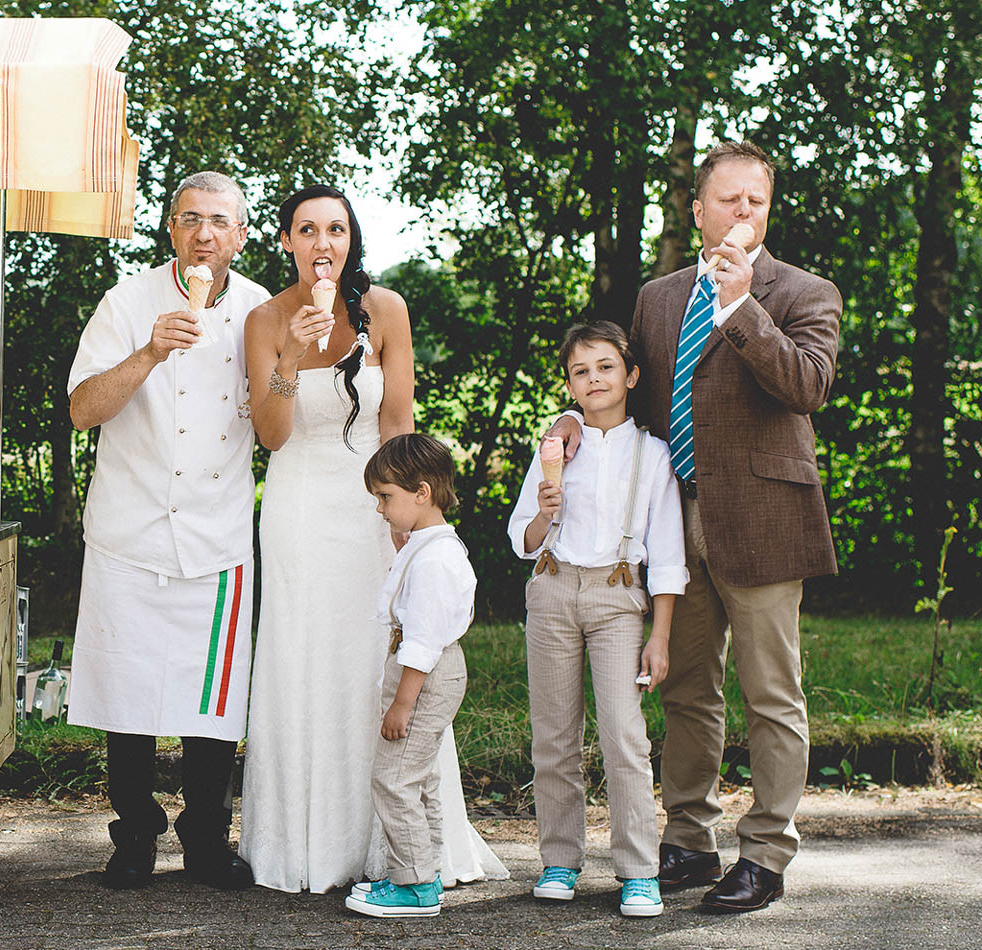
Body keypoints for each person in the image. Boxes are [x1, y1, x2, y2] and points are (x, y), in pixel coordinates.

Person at [546, 141, 840, 912]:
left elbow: (807, 386)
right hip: (671, 519)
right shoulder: (657, 295)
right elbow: (631, 396)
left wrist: (741, 307)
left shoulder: (804, 292)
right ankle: (687, 839)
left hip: (765, 518)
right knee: (683, 687)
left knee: (771, 693)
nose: (745, 212)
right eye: (731, 200)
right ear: (698, 209)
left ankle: (767, 854)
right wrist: (575, 418)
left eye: (758, 201)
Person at [239, 184, 505, 894]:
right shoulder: (265, 318)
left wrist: (407, 527)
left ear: (350, 239)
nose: (323, 243)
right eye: (307, 230)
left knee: (374, 654)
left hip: (374, 504)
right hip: (298, 507)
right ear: (287, 241)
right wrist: (290, 363)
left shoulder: (385, 309)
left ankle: (403, 849)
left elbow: (398, 422)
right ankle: (307, 845)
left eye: (336, 229)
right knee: (305, 657)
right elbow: (270, 435)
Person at [64, 171, 272, 890]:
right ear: (171, 230)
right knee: (127, 696)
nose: (205, 233)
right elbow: (83, 409)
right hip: (129, 529)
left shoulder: (260, 313)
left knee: (212, 701)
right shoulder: (125, 303)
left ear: (240, 236)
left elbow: (278, 421)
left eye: (220, 221)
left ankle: (209, 838)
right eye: (191, 219)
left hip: (217, 537)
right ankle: (133, 837)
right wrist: (149, 352)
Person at [507, 322, 685, 917]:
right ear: (569, 385)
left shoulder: (653, 454)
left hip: (618, 597)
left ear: (630, 376)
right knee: (553, 735)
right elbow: (522, 540)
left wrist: (659, 636)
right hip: (554, 588)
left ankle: (638, 870)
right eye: (581, 372)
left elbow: (667, 554)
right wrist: (542, 512)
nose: (595, 380)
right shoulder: (557, 448)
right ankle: (560, 859)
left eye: (606, 367)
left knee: (624, 736)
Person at [342, 433, 475, 919]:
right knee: (418, 779)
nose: (380, 508)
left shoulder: (438, 558)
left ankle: (414, 886)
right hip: (422, 669)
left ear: (422, 493)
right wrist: (406, 542)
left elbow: (422, 642)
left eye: (386, 497)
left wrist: (402, 703)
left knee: (393, 779)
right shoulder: (427, 544)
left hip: (424, 675)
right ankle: (426, 874)